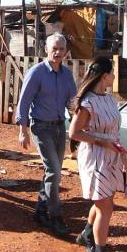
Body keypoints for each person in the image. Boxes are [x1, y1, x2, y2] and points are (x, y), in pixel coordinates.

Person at [68, 57, 127, 252]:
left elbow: (113, 128)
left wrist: (118, 149)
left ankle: (87, 234)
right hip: (95, 157)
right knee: (106, 206)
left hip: (110, 156)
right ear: (104, 75)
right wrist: (102, 142)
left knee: (104, 201)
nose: (115, 77)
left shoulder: (109, 99)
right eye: (112, 73)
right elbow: (74, 133)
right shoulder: (88, 102)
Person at [16, 33, 77, 236]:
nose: (58, 52)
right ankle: (55, 217)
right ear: (46, 50)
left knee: (54, 171)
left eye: (62, 49)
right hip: (41, 128)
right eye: (55, 49)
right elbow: (24, 102)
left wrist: (77, 111)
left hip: (60, 127)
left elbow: (72, 100)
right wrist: (22, 130)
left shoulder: (67, 75)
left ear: (66, 52)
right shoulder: (37, 73)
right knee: (54, 171)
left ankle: (40, 211)